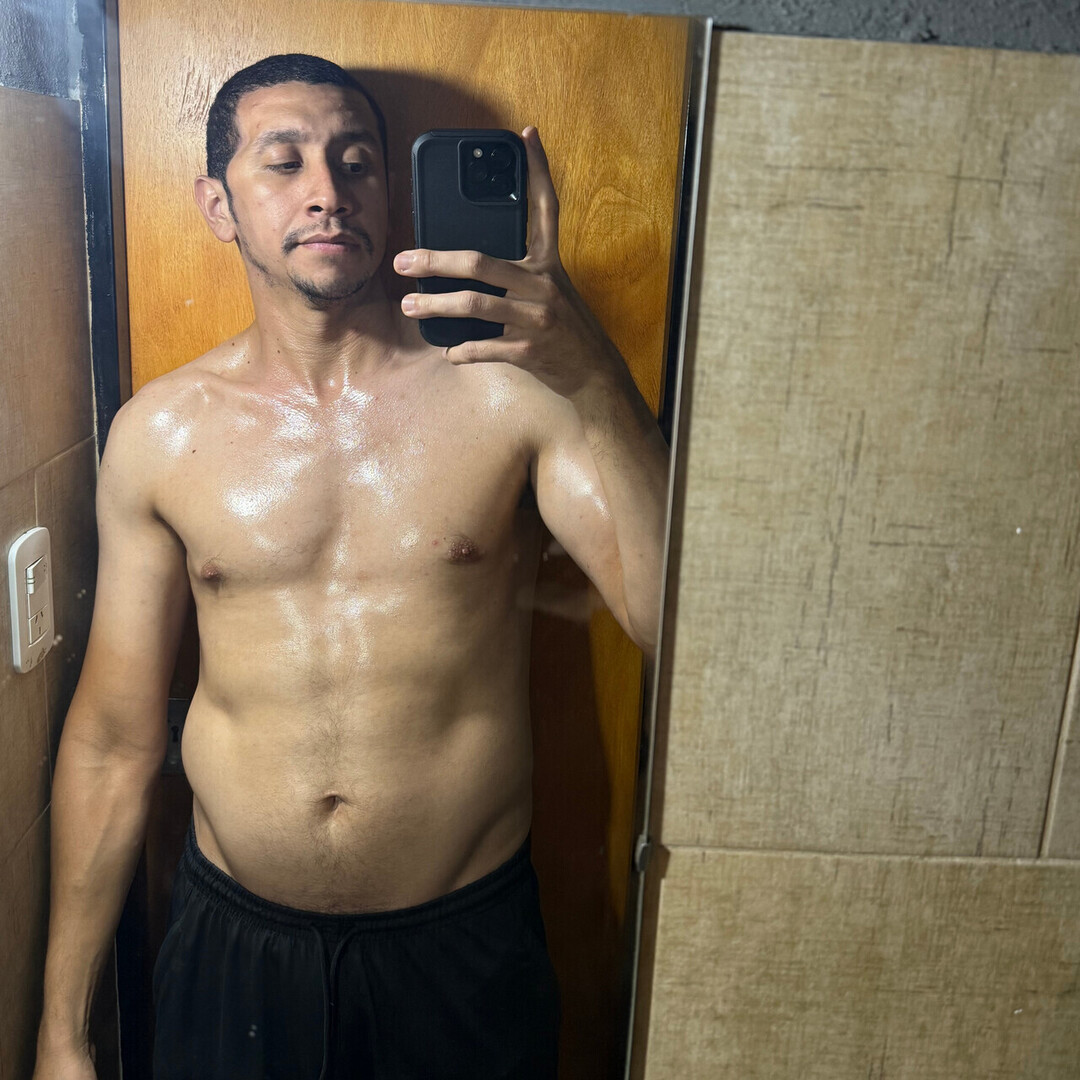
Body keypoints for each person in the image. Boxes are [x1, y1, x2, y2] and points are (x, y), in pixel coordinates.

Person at [33, 53, 669, 1080]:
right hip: (234, 951)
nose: (328, 190)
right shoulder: (159, 435)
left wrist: (592, 372)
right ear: (218, 204)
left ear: (390, 189)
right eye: (284, 162)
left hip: (460, 954)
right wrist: (60, 1028)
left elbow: (668, 620)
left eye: (356, 161)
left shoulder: (513, 398)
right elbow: (112, 739)